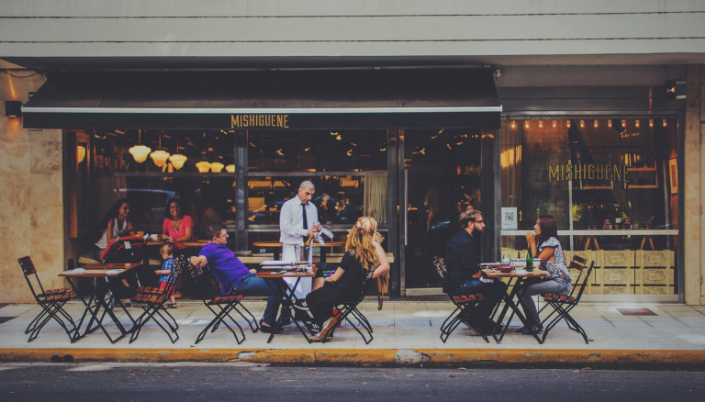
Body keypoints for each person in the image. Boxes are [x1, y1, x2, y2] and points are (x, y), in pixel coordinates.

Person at [190, 223, 284, 334]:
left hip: (246, 276)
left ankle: (268, 319)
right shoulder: (209, 248)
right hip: (239, 283)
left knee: (280, 281)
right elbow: (202, 260)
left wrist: (248, 271)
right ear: (215, 239)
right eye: (224, 235)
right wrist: (193, 259)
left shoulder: (221, 246)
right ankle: (267, 323)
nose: (227, 236)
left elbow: (230, 265)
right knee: (276, 287)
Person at [305, 224, 381, 342]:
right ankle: (327, 329)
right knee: (324, 297)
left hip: (343, 291)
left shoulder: (350, 254)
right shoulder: (370, 256)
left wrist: (326, 279)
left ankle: (325, 323)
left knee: (311, 297)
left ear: (353, 239)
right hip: (356, 293)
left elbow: (335, 278)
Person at [445, 209, 503, 335]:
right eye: (480, 222)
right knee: (498, 288)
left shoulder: (462, 237)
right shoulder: (465, 242)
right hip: (461, 285)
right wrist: (491, 273)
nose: (484, 225)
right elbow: (475, 274)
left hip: (457, 282)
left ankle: (472, 315)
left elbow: (473, 267)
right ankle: (475, 319)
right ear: (471, 224)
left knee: (497, 286)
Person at [517, 215, 573, 334]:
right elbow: (533, 260)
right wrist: (531, 244)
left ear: (545, 227)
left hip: (560, 282)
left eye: (537, 224)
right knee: (521, 288)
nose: (534, 226)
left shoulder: (551, 243)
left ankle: (535, 323)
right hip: (552, 279)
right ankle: (531, 323)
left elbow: (536, 262)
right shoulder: (544, 242)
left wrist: (532, 242)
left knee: (523, 291)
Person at [279, 180, 321, 298]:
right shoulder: (288, 205)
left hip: (306, 247)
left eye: (312, 195)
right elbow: (285, 227)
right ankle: (287, 309)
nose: (309, 197)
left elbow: (314, 228)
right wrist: (305, 232)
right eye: (307, 194)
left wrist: (317, 229)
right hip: (291, 246)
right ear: (299, 190)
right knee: (290, 277)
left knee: (305, 279)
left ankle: (302, 307)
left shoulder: (312, 208)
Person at [155, 243, 177, 309]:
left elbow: (168, 271)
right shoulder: (174, 260)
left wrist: (159, 271)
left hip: (165, 280)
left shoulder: (167, 262)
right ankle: (173, 303)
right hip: (173, 281)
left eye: (162, 255)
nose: (162, 257)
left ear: (166, 254)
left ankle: (163, 303)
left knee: (162, 292)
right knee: (171, 293)